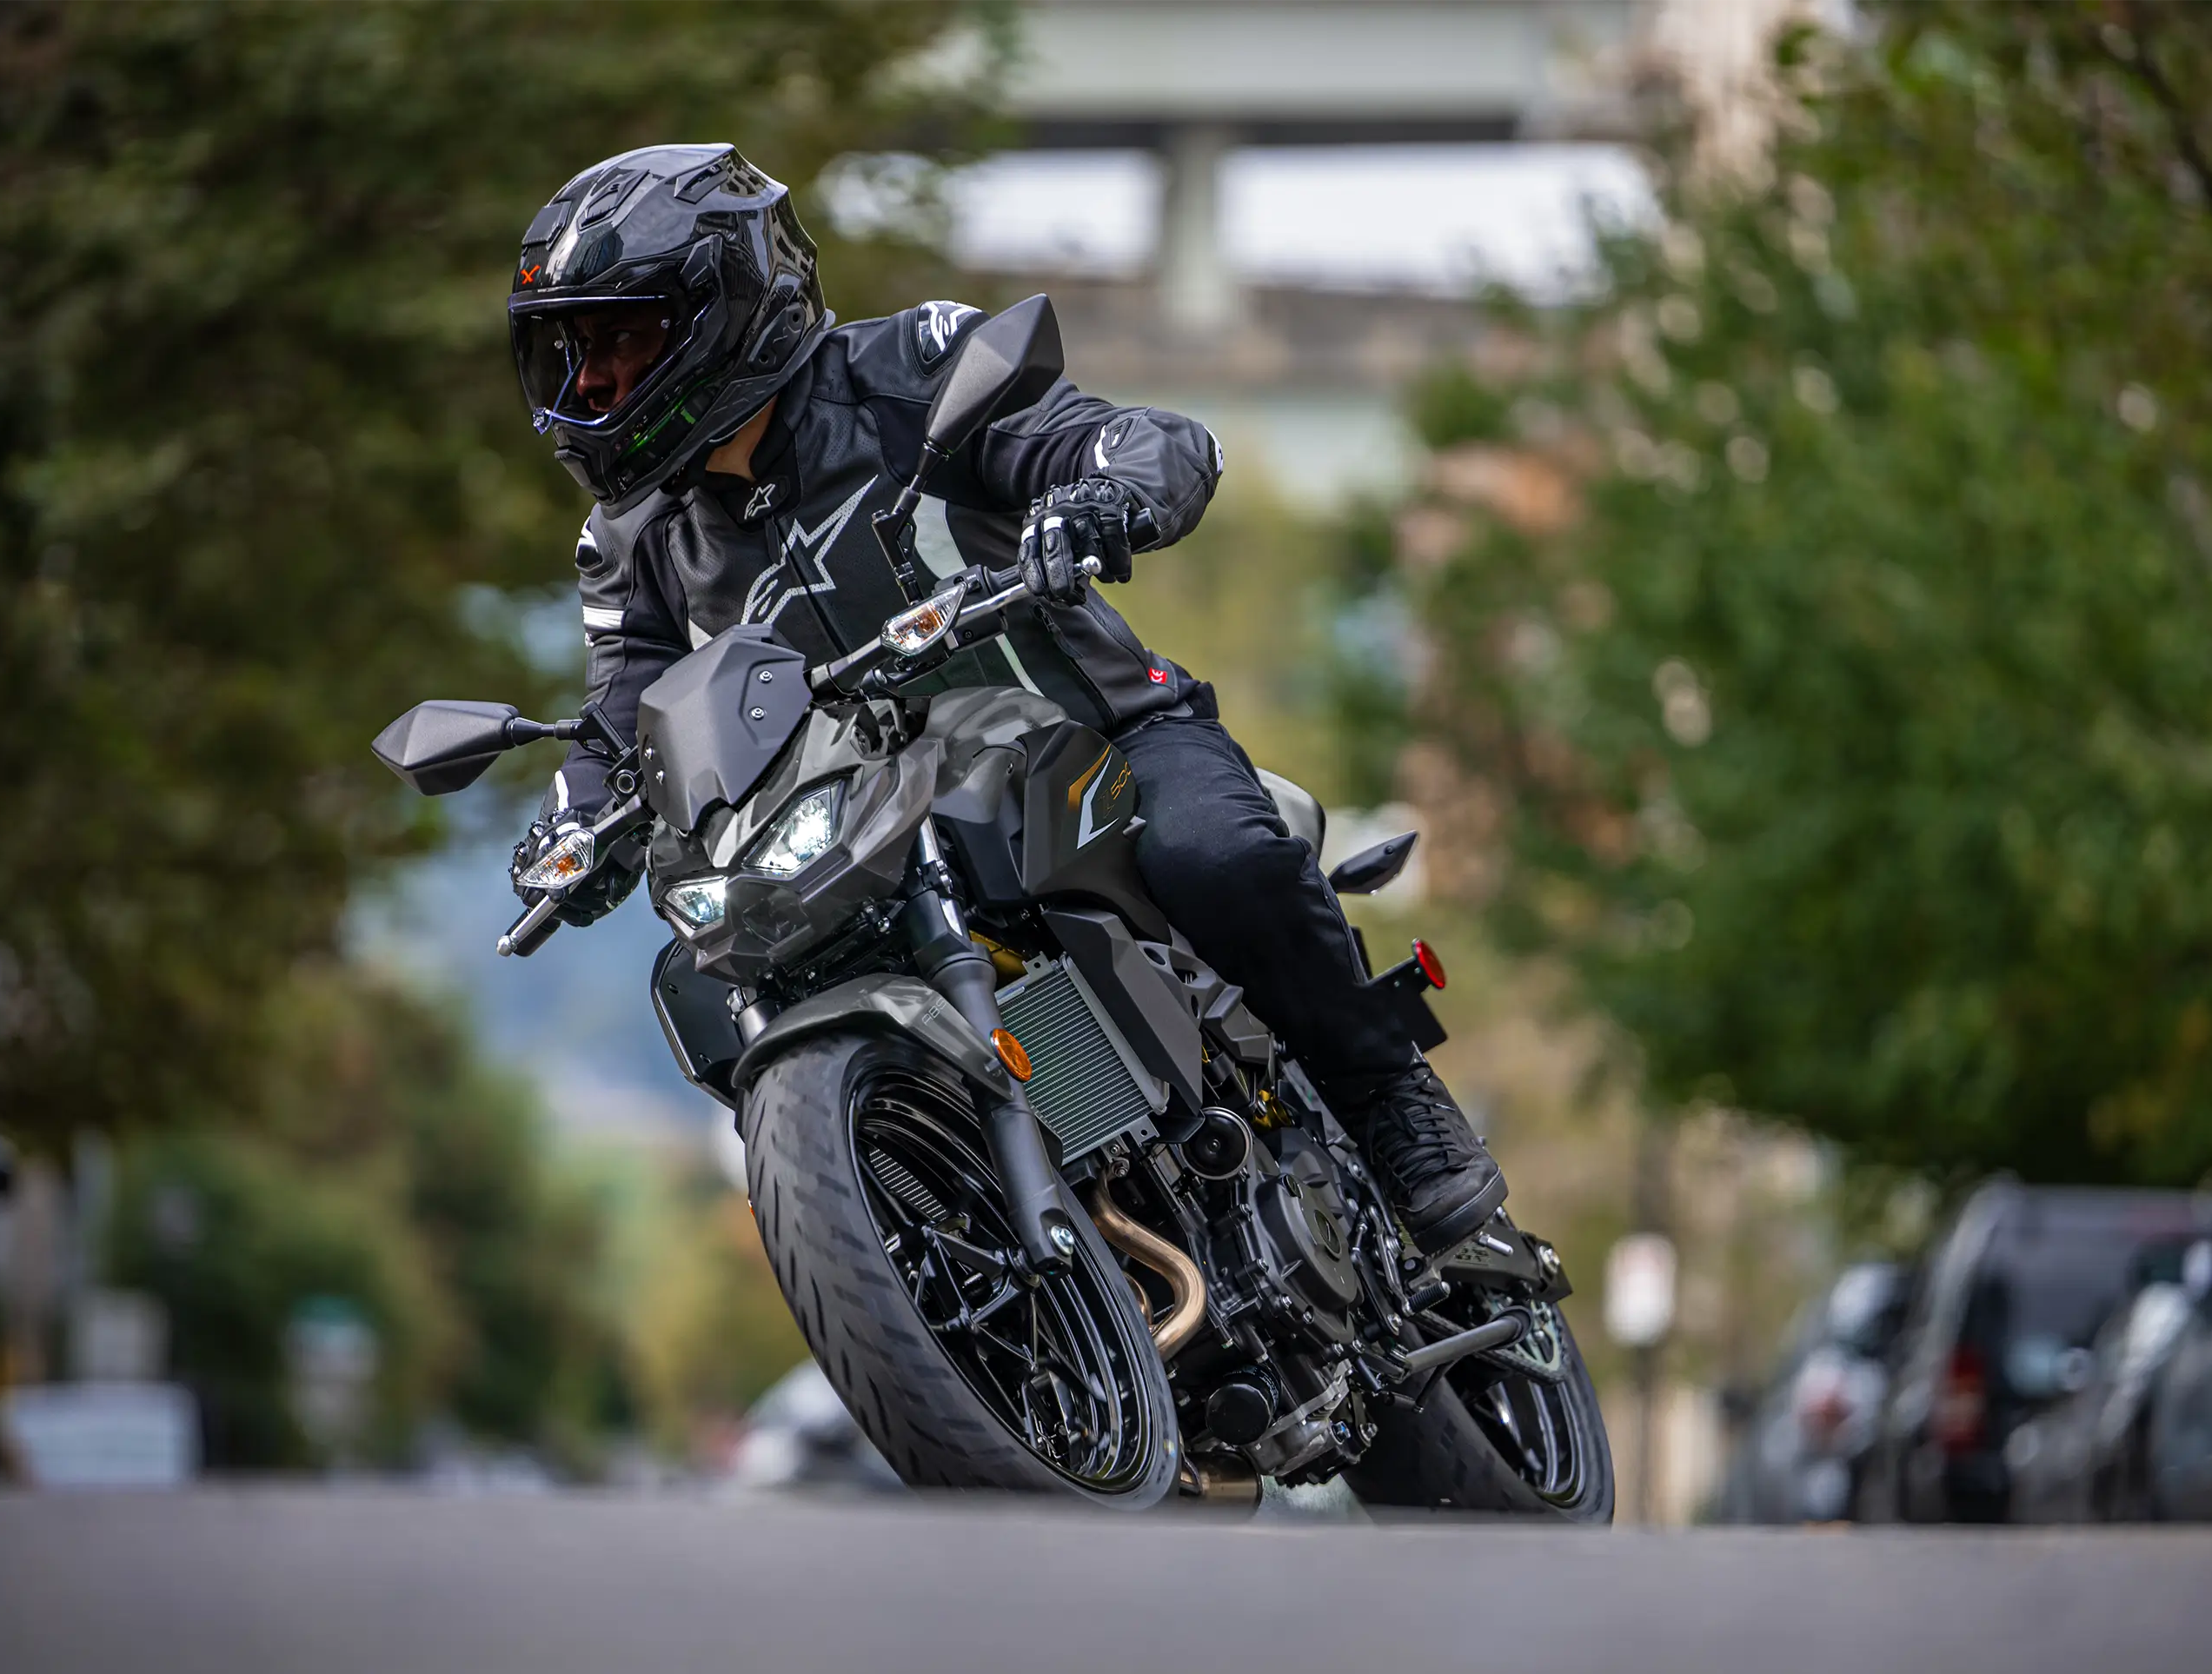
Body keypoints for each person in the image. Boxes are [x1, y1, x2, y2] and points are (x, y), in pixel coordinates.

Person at [505, 143, 1505, 1252]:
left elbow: (1124, 440)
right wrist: (569, 822)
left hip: (1090, 739)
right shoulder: (633, 538)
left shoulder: (906, 374)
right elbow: (618, 716)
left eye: (621, 340)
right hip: (869, 820)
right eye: (571, 352)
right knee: (734, 980)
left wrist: (1110, 494)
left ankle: (1387, 1094)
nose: (589, 385)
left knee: (1221, 856)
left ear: (729, 303)